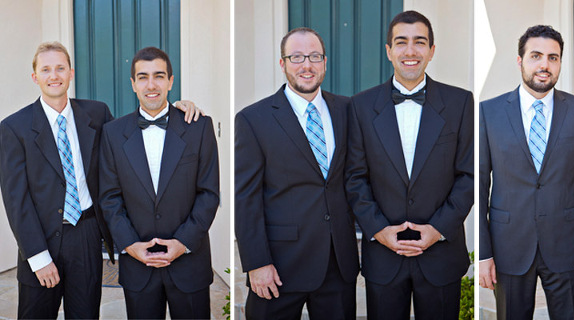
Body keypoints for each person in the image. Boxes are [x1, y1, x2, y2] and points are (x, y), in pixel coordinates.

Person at [0, 41, 202, 319]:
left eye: (60, 68)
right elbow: (15, 200)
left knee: (85, 314)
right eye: (46, 70)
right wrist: (38, 257)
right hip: (41, 238)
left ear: (71, 73)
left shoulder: (96, 114)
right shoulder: (14, 128)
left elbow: (133, 136)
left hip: (87, 233)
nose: (54, 75)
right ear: (35, 77)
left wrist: (177, 109)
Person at [345, 10, 474, 320]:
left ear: (432, 50)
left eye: (420, 42)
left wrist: (437, 229)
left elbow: (469, 176)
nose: (410, 51)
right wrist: (378, 230)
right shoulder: (360, 106)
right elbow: (354, 178)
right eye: (401, 42)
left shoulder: (460, 103)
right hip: (384, 257)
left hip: (441, 255)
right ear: (389, 51)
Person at [477, 25, 574, 319]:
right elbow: (480, 186)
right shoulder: (489, 112)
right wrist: (484, 253)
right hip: (509, 244)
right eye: (536, 56)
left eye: (553, 57)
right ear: (520, 60)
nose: (544, 65)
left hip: (566, 243)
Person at [235, 27, 359, 319]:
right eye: (297, 57)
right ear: (283, 64)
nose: (307, 65)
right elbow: (247, 198)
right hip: (279, 267)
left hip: (337, 264)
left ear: (325, 62)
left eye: (315, 56)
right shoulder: (254, 119)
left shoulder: (347, 110)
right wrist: (256, 263)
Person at [99, 46, 219, 319]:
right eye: (142, 77)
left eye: (159, 76)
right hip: (138, 267)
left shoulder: (199, 126)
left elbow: (209, 194)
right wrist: (130, 245)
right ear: (132, 84)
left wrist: (182, 242)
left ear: (171, 81)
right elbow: (109, 198)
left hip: (190, 263)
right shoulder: (113, 133)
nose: (151, 85)